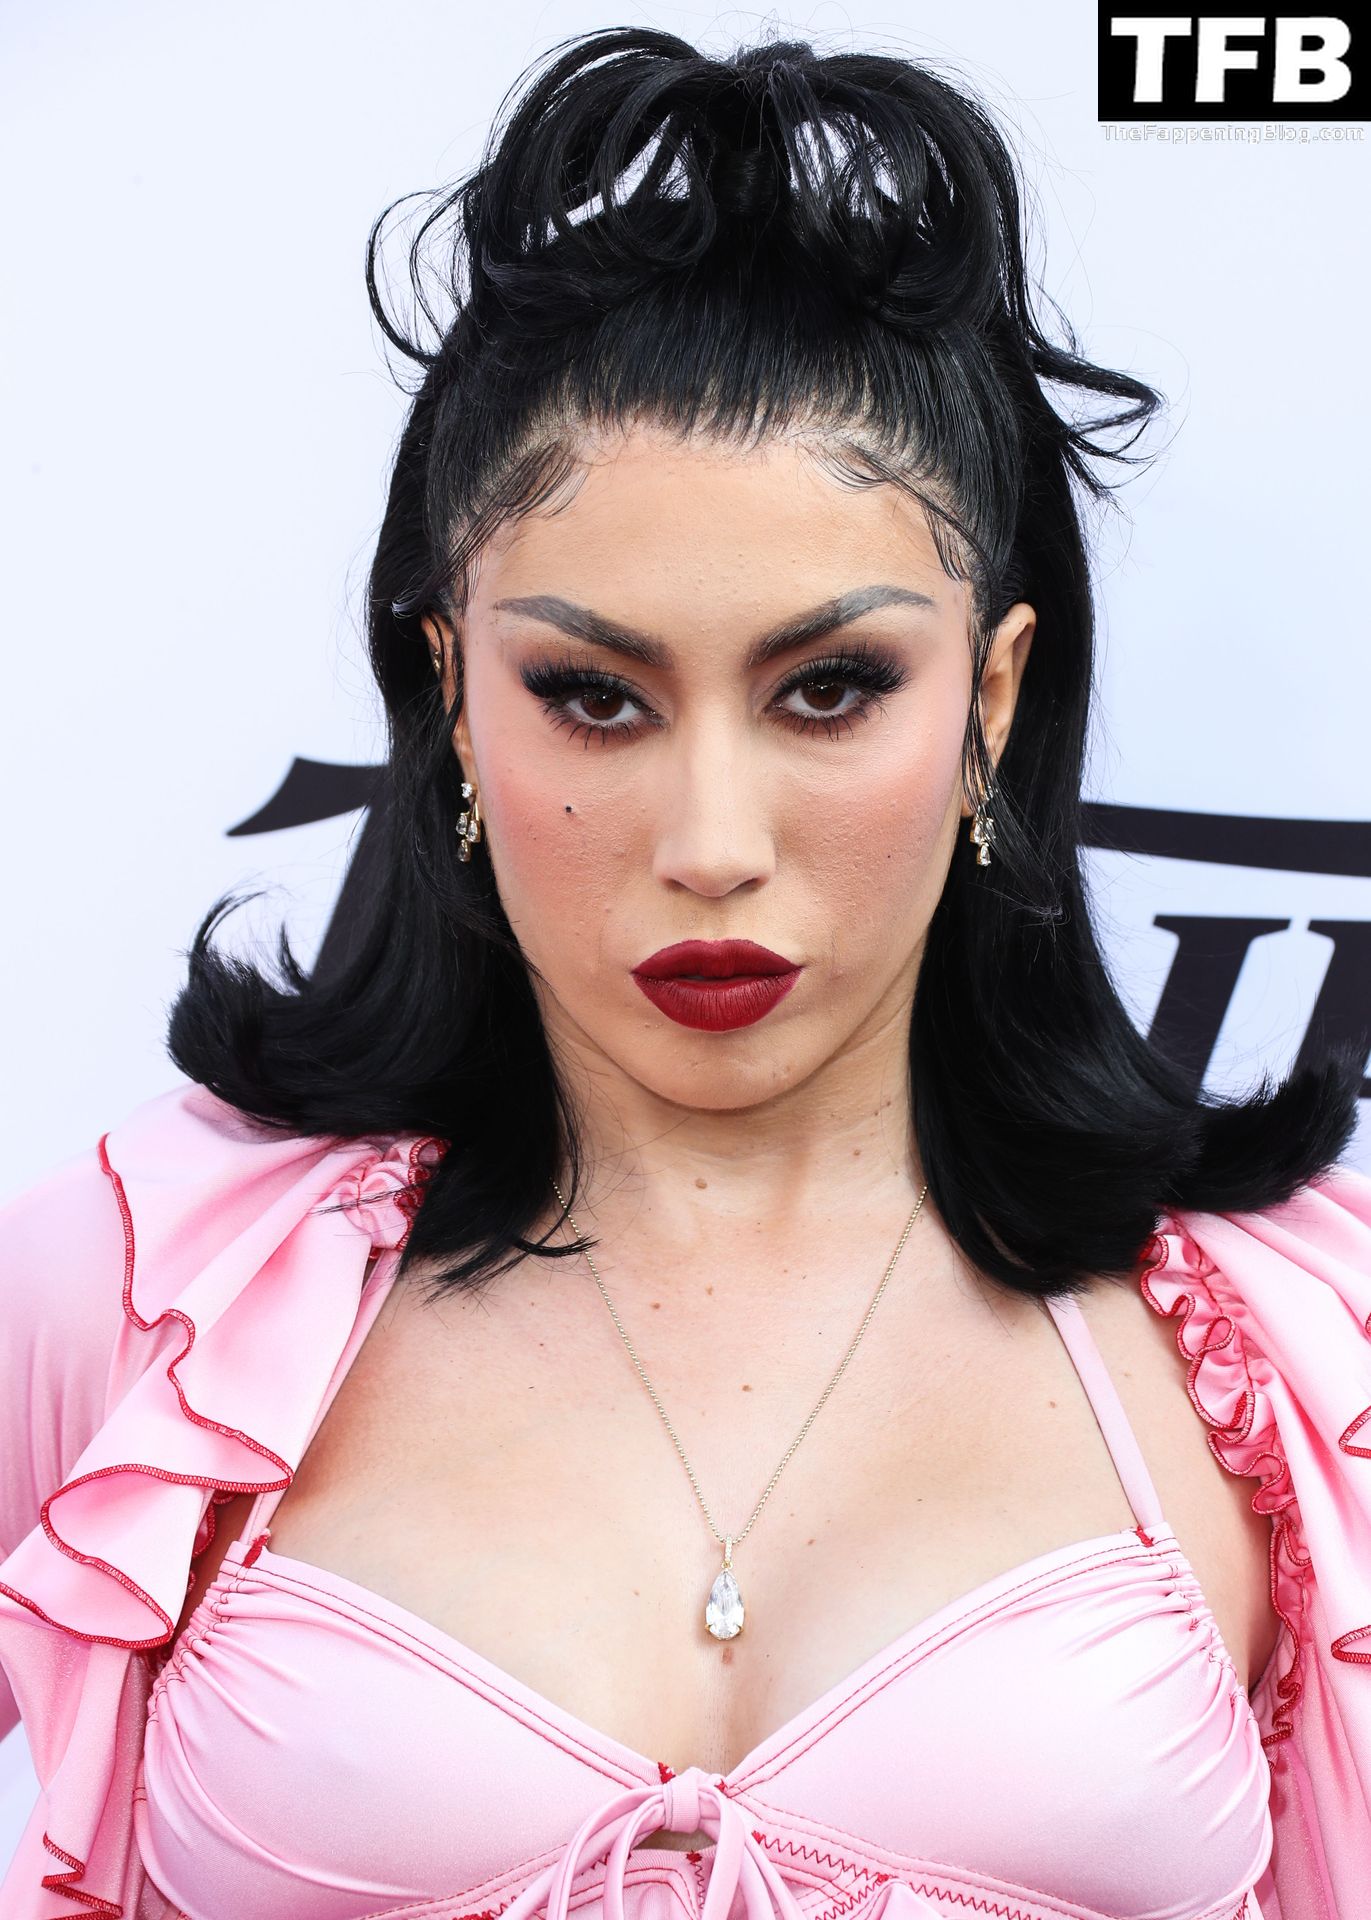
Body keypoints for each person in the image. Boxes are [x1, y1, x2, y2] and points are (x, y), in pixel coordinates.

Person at [2, 24, 1369, 1920]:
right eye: (593, 695)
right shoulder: (140, 1291)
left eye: (830, 689)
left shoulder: (1306, 1348)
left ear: (988, 697)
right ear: (452, 698)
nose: (711, 839)